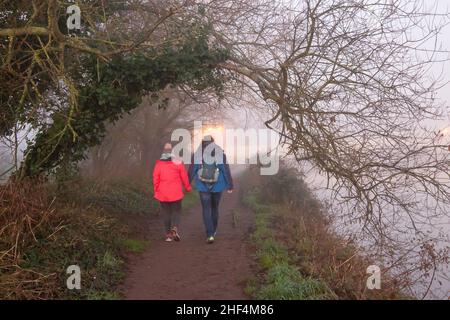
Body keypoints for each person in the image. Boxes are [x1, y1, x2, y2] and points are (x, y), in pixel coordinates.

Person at [189, 135, 234, 244]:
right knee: (215, 208)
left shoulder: (197, 155)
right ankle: (213, 231)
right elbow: (225, 170)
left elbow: (192, 170)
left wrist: (187, 184)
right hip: (217, 186)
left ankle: (209, 234)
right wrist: (230, 185)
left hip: (203, 186)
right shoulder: (220, 154)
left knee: (206, 209)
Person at [153, 143, 192, 242]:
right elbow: (184, 177)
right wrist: (188, 187)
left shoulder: (158, 164)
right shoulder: (178, 162)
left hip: (163, 193)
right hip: (176, 192)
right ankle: (175, 227)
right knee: (177, 211)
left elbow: (155, 179)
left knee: (166, 213)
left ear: (163, 151)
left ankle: (168, 236)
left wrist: (156, 190)